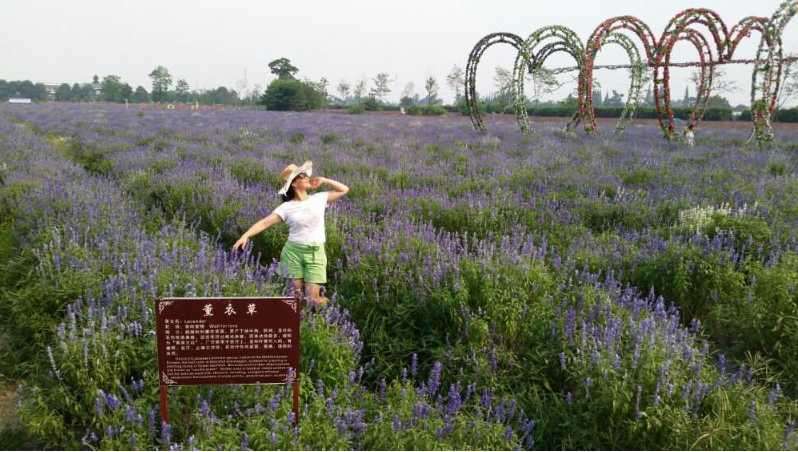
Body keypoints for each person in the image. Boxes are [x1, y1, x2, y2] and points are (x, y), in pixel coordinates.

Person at [232, 160, 349, 306]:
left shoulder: (319, 198)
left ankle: (331, 314)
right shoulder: (286, 207)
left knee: (313, 299)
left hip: (315, 252)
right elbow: (265, 222)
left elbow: (344, 189)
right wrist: (245, 236)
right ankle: (299, 325)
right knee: (296, 298)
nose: (307, 177)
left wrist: (324, 180)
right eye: (302, 176)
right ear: (293, 183)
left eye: (306, 175)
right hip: (293, 252)